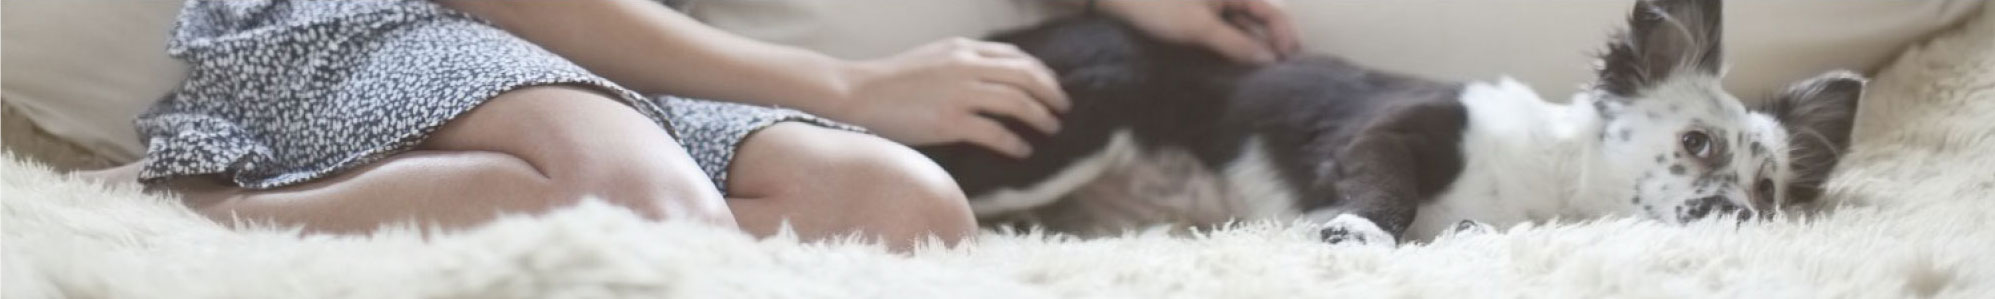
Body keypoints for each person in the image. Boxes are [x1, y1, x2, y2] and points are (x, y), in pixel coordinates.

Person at [79, 0, 1299, 251]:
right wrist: (852, 88)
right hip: (381, 20)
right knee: (645, 216)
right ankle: (202, 200)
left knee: (908, 209)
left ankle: (489, 190)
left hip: (586, 66)